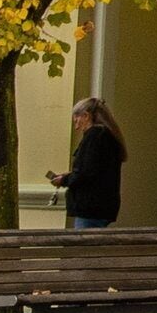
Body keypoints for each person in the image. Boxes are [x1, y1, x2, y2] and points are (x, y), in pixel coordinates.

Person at [51, 97, 128, 232]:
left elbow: (86, 172)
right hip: (103, 206)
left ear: (86, 116)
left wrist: (64, 180)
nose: (75, 121)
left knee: (83, 248)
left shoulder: (95, 136)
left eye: (77, 116)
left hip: (90, 207)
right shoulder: (108, 136)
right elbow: (94, 169)